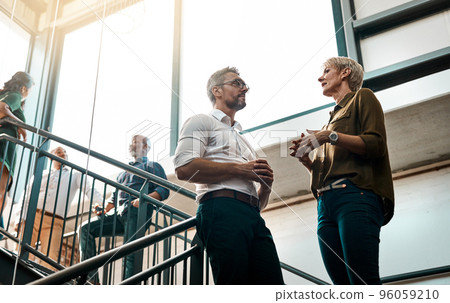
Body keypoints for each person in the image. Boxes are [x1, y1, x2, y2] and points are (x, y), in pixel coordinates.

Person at [174, 67, 284, 285]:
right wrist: (239, 169)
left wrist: (266, 187)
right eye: (237, 83)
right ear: (217, 91)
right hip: (220, 209)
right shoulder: (202, 121)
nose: (245, 88)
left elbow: (258, 205)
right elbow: (183, 167)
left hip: (252, 216)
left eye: (245, 85)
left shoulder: (243, 140)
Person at [289, 57, 394, 285]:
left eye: (327, 71)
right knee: (342, 287)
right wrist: (307, 161)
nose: (320, 77)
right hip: (325, 206)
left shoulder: (362, 98)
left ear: (345, 72)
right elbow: (323, 172)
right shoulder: (328, 123)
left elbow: (376, 145)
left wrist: (328, 136)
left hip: (355, 197)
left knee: (363, 282)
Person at [79, 135, 169, 282]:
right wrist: (104, 208)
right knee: (85, 228)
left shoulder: (152, 166)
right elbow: (115, 197)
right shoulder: (123, 173)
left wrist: (144, 199)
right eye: (131, 142)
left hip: (136, 213)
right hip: (119, 213)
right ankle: (91, 279)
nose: (131, 144)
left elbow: (164, 189)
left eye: (136, 142)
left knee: (129, 255)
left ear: (146, 147)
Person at [15, 146, 103, 269]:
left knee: (50, 259)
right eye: (59, 152)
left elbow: (89, 189)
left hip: (55, 222)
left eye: (65, 152)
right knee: (21, 252)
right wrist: (20, 218)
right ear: (51, 157)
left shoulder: (75, 174)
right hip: (33, 216)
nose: (63, 154)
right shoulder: (42, 173)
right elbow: (26, 195)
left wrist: (102, 204)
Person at [0, 72, 34, 231]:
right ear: (23, 88)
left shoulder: (5, 93)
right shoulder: (15, 95)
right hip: (4, 147)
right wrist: (21, 125)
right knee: (1, 192)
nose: (29, 94)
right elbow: (1, 108)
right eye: (29, 90)